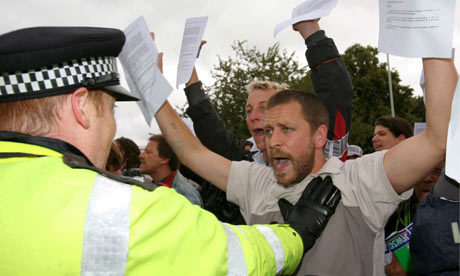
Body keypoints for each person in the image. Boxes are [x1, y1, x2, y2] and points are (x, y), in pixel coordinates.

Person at [0, 26, 336, 275]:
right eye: (111, 110)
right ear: (81, 107)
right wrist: (296, 233)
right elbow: (230, 255)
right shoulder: (127, 209)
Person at [154, 19, 458, 275]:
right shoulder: (254, 181)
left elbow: (437, 138)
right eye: (270, 130)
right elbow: (191, 152)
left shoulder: (360, 181)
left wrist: (427, 28)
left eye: (287, 129)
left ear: (319, 136)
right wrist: (152, 88)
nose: (273, 141)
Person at [182, 19, 353, 224]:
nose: (253, 117)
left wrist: (312, 33)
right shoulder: (245, 163)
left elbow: (337, 94)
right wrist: (188, 69)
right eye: (248, 110)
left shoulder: (321, 153)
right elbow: (210, 129)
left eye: (265, 108)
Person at [139, 134, 203, 206]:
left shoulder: (186, 196)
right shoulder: (149, 186)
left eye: (148, 152)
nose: (141, 156)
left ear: (164, 159)